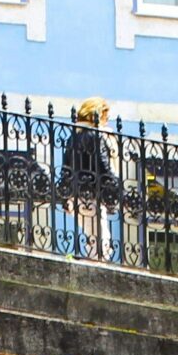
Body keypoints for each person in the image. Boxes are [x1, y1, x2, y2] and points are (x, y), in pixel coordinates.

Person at [60, 98, 125, 262]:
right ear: (95, 114)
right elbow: (103, 166)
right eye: (105, 115)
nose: (107, 119)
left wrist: (65, 196)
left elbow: (65, 169)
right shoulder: (96, 136)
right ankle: (97, 271)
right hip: (92, 194)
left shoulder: (74, 136)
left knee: (93, 236)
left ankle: (94, 266)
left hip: (77, 195)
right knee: (100, 240)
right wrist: (119, 188)